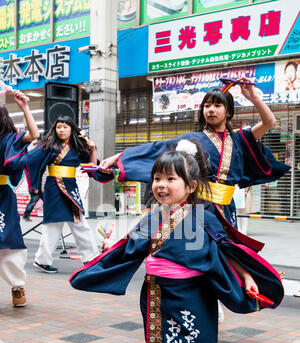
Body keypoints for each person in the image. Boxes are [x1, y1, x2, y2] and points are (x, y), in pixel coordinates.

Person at [70, 139, 284, 343]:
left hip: (198, 295)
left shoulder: (206, 218)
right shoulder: (151, 218)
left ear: (191, 186)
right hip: (160, 296)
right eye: (157, 178)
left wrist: (247, 276)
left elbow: (226, 250)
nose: (161, 184)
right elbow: (128, 248)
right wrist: (105, 253)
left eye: (171, 179)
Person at [95, 77, 290, 236]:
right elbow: (158, 149)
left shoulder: (240, 138)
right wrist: (118, 157)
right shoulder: (193, 139)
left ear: (228, 111)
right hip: (200, 207)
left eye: (217, 105)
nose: (211, 110)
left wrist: (253, 97)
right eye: (207, 106)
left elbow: (269, 122)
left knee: (229, 255)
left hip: (227, 209)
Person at [24, 116, 99, 273]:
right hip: (54, 189)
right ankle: (43, 260)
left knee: (79, 223)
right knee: (52, 224)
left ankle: (91, 258)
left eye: (65, 127)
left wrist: (93, 149)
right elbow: (30, 160)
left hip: (70, 189)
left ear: (71, 128)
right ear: (55, 129)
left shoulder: (79, 146)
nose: (62, 130)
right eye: (59, 127)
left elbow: (91, 166)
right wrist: (35, 186)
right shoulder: (49, 145)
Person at [0, 90, 39, 307]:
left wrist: (24, 106)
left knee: (9, 241)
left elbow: (34, 136)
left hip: (3, 196)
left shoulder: (9, 139)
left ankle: (17, 286)